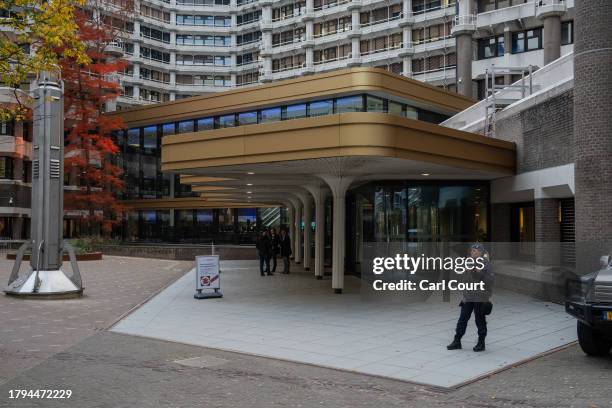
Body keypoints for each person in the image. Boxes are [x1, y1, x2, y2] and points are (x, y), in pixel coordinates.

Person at [447, 243, 494, 352]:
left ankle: (481, 343)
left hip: (480, 296)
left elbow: (490, 281)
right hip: (468, 296)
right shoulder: (468, 263)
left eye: (475, 250)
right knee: (462, 319)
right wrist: (464, 295)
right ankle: (457, 340)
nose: (473, 252)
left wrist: (479, 273)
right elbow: (464, 280)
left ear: (481, 252)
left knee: (480, 320)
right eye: (472, 250)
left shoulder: (486, 264)